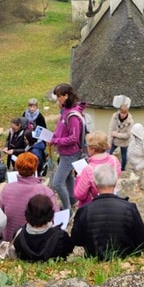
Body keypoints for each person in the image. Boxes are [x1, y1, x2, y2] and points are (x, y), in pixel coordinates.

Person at [71, 164, 144, 260]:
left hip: (94, 261)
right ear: (115, 182)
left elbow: (77, 240)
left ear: (95, 184)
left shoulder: (84, 210)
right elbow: (143, 239)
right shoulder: (129, 208)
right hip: (124, 261)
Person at [0, 152, 58, 241]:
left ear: (17, 168)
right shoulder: (46, 191)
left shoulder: (7, 188)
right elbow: (56, 217)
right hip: (38, 239)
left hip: (11, 238)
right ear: (35, 167)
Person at [49, 82, 87, 211]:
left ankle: (67, 209)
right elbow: (62, 129)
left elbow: (74, 138)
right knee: (68, 177)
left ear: (66, 96)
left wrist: (56, 140)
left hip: (70, 153)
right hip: (65, 152)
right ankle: (72, 200)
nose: (57, 99)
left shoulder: (72, 116)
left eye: (58, 96)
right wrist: (54, 136)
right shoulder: (66, 111)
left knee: (57, 183)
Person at [13, 194, 74, 262]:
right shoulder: (60, 237)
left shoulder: (18, 234)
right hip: (55, 267)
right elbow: (69, 250)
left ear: (28, 213)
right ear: (50, 213)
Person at [74, 131, 121, 207]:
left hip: (95, 205)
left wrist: (79, 177)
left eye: (88, 146)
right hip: (113, 201)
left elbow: (79, 195)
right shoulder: (114, 160)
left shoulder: (88, 169)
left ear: (92, 149)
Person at [108, 97, 133, 171]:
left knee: (124, 156)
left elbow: (128, 135)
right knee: (108, 153)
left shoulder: (130, 121)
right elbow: (110, 129)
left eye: (124, 114)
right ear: (119, 111)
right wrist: (109, 142)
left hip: (124, 142)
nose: (122, 115)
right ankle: (108, 166)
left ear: (127, 113)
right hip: (114, 140)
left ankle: (122, 169)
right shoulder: (114, 116)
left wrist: (117, 134)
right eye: (121, 113)